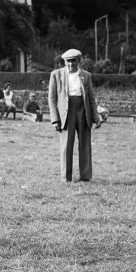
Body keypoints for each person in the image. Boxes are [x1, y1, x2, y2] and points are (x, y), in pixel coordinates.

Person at [48, 48, 100, 183]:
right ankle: (66, 177)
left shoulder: (86, 75)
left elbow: (91, 98)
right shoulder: (56, 75)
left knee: (85, 144)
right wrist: (55, 119)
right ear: (64, 62)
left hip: (83, 110)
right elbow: (52, 99)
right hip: (66, 112)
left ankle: (85, 176)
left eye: (73, 61)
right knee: (66, 145)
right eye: (68, 62)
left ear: (78, 61)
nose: (71, 64)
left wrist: (96, 117)